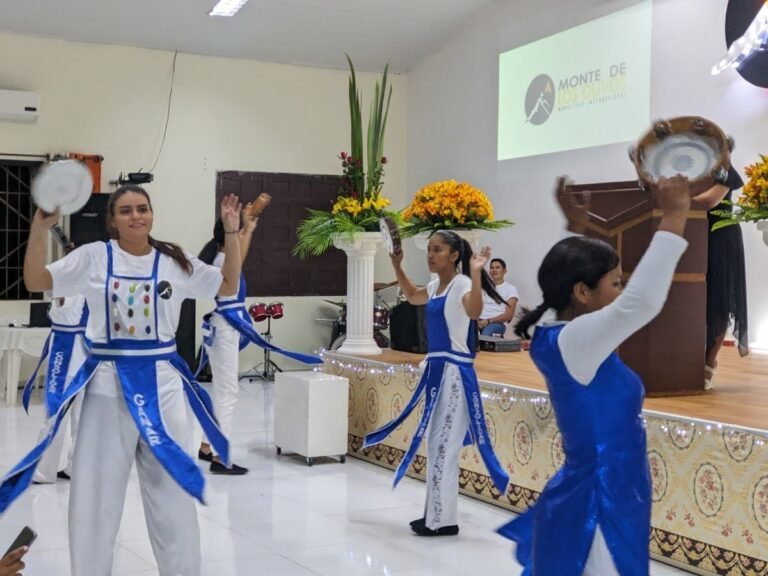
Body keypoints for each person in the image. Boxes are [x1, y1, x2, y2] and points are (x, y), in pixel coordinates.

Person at [0, 185, 243, 576]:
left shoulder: (174, 260)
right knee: (95, 498)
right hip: (105, 386)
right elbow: (34, 280)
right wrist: (39, 230)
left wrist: (232, 234)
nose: (136, 216)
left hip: (162, 387)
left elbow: (227, 286)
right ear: (112, 220)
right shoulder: (93, 257)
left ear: (152, 214)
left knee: (172, 495)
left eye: (143, 209)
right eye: (126, 210)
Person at [497, 176, 692, 575]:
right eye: (615, 283)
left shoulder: (561, 334)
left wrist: (576, 231)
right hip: (600, 499)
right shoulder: (576, 341)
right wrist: (673, 217)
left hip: (610, 490)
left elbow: (573, 289)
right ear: (582, 293)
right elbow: (641, 304)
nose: (621, 292)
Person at [364, 231, 510, 536]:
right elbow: (414, 295)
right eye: (429, 250)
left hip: (455, 373)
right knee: (436, 442)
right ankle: (437, 515)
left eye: (438, 250)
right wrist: (397, 265)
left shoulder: (463, 284)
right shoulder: (436, 285)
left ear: (455, 255)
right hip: (437, 370)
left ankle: (442, 520)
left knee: (445, 443)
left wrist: (476, 272)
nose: (431, 255)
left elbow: (474, 311)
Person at [196, 215, 323, 475]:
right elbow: (238, 252)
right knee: (228, 393)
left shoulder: (223, 259)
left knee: (223, 390)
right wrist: (245, 230)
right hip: (225, 329)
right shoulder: (224, 262)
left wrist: (249, 229)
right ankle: (222, 455)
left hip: (223, 327)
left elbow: (239, 251)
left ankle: (207, 446)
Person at [691, 165, 749, 389]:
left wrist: (674, 200)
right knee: (694, 300)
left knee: (719, 299)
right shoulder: (683, 168)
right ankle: (688, 359)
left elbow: (709, 201)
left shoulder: (723, 169)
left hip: (720, 236)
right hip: (693, 234)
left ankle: (708, 363)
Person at [26, 294, 88, 484]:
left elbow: (60, 314)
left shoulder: (73, 285)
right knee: (82, 419)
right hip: (86, 360)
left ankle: (43, 471)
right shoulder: (95, 286)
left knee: (55, 417)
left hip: (67, 359)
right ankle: (76, 468)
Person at [478, 257, 519, 337]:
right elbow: (475, 307)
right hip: (479, 321)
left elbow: (508, 315)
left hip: (496, 323)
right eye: (492, 268)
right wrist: (476, 322)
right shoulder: (483, 288)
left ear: (504, 271)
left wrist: (488, 320)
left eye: (497, 267)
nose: (494, 270)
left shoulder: (511, 289)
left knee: (485, 335)